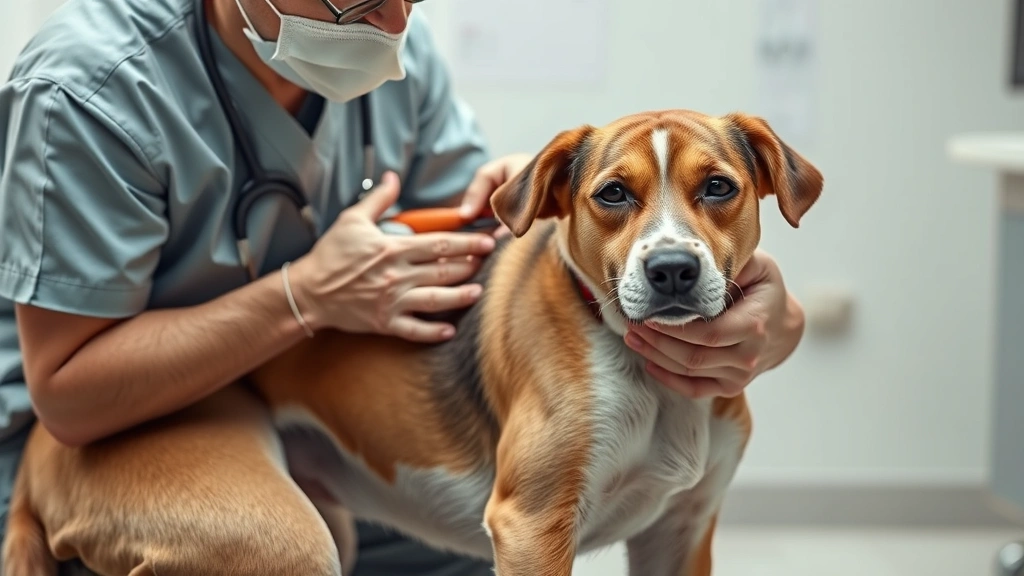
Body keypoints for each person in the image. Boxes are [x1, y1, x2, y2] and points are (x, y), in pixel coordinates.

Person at [0, 0, 807, 573]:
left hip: (318, 426)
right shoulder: (89, 89)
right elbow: (68, 396)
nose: (392, 26)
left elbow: (476, 236)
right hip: (105, 433)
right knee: (283, 556)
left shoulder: (395, 51)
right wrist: (301, 297)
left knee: (464, 545)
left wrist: (777, 321)